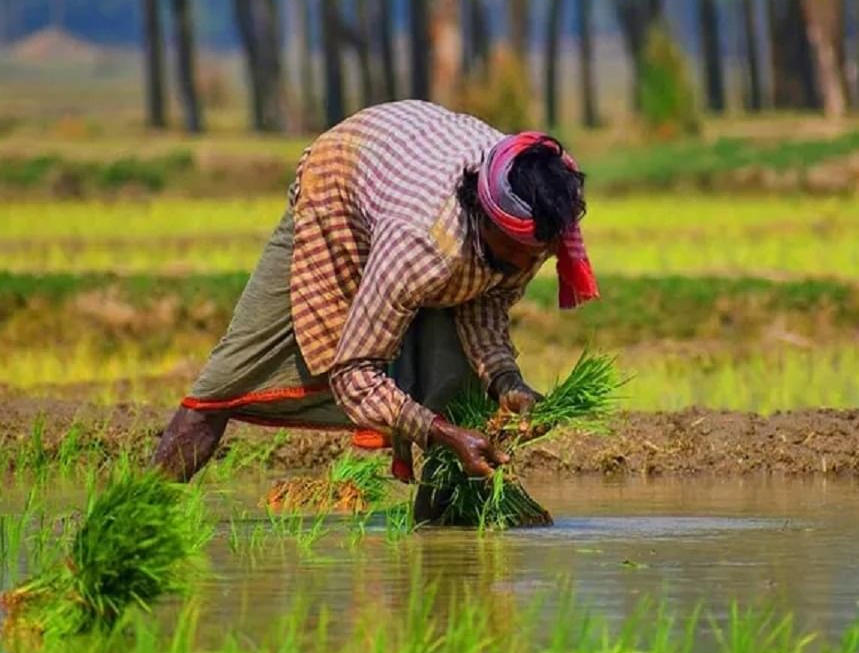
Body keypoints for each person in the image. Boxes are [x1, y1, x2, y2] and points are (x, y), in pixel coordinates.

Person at [151, 100, 597, 519]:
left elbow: (488, 298)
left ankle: (444, 532)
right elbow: (354, 373)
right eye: (511, 256)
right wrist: (440, 433)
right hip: (340, 187)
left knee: (459, 388)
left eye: (533, 258)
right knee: (228, 379)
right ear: (482, 217)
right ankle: (138, 512)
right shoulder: (421, 243)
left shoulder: (528, 224)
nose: (521, 268)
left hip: (407, 168)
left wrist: (506, 381)